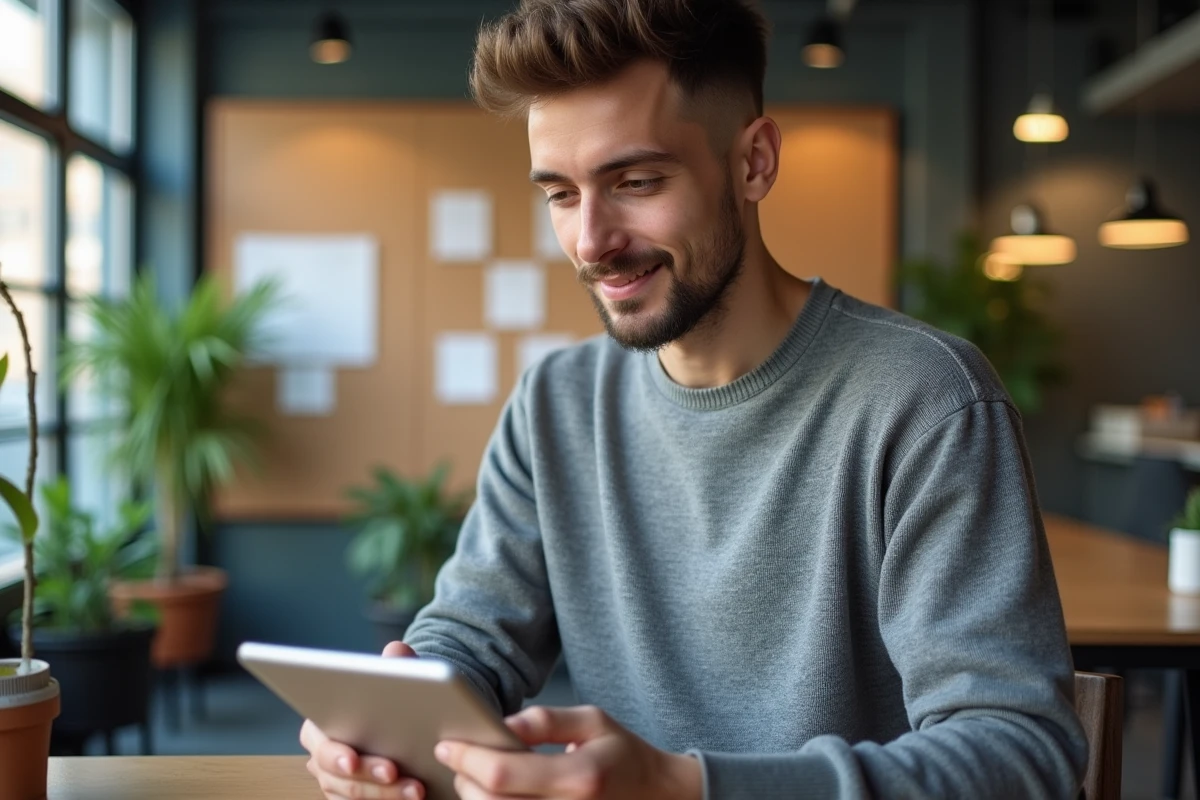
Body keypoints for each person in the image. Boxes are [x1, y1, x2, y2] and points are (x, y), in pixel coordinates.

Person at [301, 0, 1088, 797]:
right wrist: (390, 717)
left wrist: (685, 786)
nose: (590, 241)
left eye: (636, 182)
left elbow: (1020, 753)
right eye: (561, 195)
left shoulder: (925, 401)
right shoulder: (555, 406)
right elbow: (474, 639)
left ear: (753, 163)